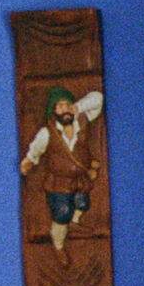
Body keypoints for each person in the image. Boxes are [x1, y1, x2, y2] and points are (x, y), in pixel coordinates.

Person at [21, 84, 106, 259]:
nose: (65, 109)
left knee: (82, 203)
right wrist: (29, 160)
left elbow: (99, 98)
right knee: (62, 213)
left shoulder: (81, 120)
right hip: (59, 182)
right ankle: (58, 247)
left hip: (80, 179)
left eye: (67, 105)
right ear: (53, 111)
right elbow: (36, 149)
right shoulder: (47, 133)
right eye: (60, 106)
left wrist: (78, 107)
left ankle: (74, 222)